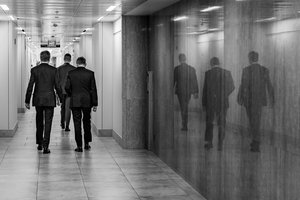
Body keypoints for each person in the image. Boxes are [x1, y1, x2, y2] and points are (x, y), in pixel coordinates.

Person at [25, 50, 62, 154]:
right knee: (48, 122)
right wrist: (61, 99)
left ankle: (40, 143)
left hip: (38, 99)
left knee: (39, 121)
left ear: (40, 58)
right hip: (50, 98)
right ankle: (46, 146)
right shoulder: (54, 70)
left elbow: (30, 85)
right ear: (49, 58)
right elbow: (57, 86)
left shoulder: (34, 70)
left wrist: (27, 100)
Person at [237, 51, 274, 152]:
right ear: (257, 58)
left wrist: (240, 98)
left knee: (252, 121)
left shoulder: (246, 70)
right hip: (259, 101)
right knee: (256, 121)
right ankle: (255, 141)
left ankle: (256, 143)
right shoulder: (264, 70)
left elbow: (243, 85)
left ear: (249, 59)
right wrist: (272, 99)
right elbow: (269, 85)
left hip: (249, 101)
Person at [65, 57, 98, 152]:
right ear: (85, 63)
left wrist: (72, 94)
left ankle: (79, 146)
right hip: (87, 101)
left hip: (75, 101)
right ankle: (87, 143)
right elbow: (93, 89)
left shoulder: (71, 73)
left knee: (77, 123)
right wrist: (95, 103)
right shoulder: (90, 73)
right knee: (87, 121)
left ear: (76, 63)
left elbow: (67, 87)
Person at [202, 57, 235, 151]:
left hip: (210, 103)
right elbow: (232, 87)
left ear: (211, 63)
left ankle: (209, 143)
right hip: (222, 102)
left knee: (209, 123)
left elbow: (205, 90)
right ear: (219, 63)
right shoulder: (226, 72)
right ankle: (220, 143)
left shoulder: (208, 74)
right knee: (222, 123)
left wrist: (204, 103)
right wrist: (224, 95)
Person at [174, 53, 199, 131]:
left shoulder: (177, 69)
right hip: (188, 91)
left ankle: (184, 125)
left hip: (180, 92)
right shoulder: (191, 69)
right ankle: (184, 124)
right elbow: (195, 81)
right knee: (185, 107)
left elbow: (173, 80)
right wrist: (195, 92)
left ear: (179, 60)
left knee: (183, 107)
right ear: (185, 59)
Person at [57, 53, 76, 131]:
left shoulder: (58, 69)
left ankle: (62, 123)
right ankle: (67, 126)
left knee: (63, 108)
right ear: (70, 59)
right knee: (68, 109)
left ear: (64, 59)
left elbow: (57, 82)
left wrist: (57, 93)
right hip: (70, 92)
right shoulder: (74, 69)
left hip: (61, 91)